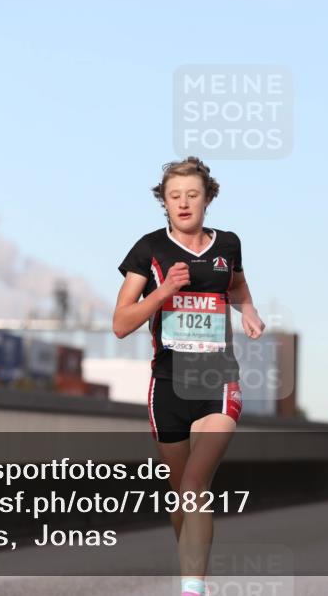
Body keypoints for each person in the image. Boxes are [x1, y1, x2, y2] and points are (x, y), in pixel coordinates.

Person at [113, 156, 265, 596]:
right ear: (163, 201)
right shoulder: (149, 249)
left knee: (197, 484)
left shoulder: (228, 244)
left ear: (208, 197)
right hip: (168, 386)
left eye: (192, 195)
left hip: (218, 379)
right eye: (174, 196)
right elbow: (121, 324)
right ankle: (193, 571)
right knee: (181, 494)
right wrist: (163, 291)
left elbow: (235, 285)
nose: (183, 203)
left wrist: (248, 309)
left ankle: (193, 589)